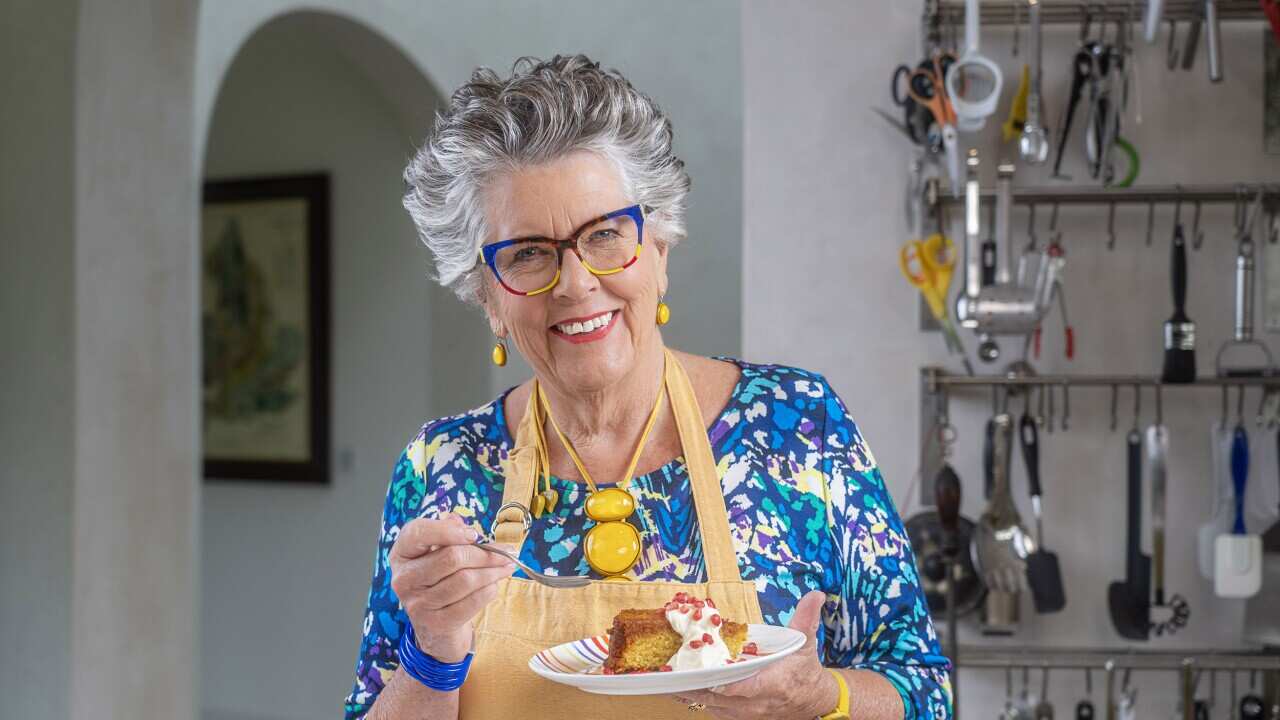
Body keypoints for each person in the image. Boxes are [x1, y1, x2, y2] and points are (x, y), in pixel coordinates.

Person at [344, 55, 951, 720]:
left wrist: (822, 697)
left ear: (659, 248)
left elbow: (925, 693)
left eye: (605, 235)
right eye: (527, 254)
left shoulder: (800, 429)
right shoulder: (442, 471)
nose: (576, 284)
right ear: (486, 294)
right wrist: (434, 650)